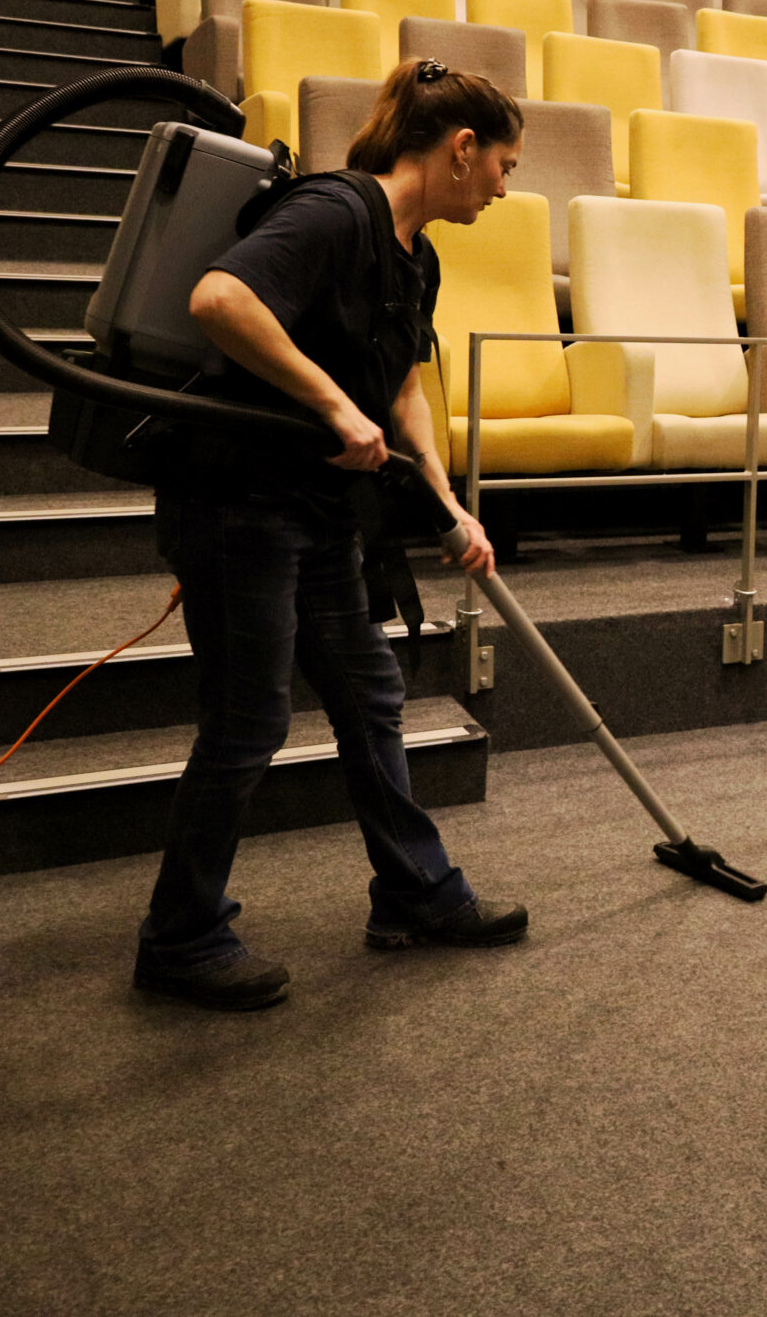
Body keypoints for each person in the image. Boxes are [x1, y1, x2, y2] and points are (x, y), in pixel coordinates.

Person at [133, 60, 529, 1011]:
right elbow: (220, 300)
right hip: (237, 502)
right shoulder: (334, 213)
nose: (507, 189)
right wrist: (328, 404)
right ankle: (178, 937)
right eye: (504, 165)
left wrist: (447, 500)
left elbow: (401, 390)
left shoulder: (415, 254)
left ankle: (416, 892)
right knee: (248, 719)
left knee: (367, 690)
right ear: (459, 150)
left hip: (314, 512)